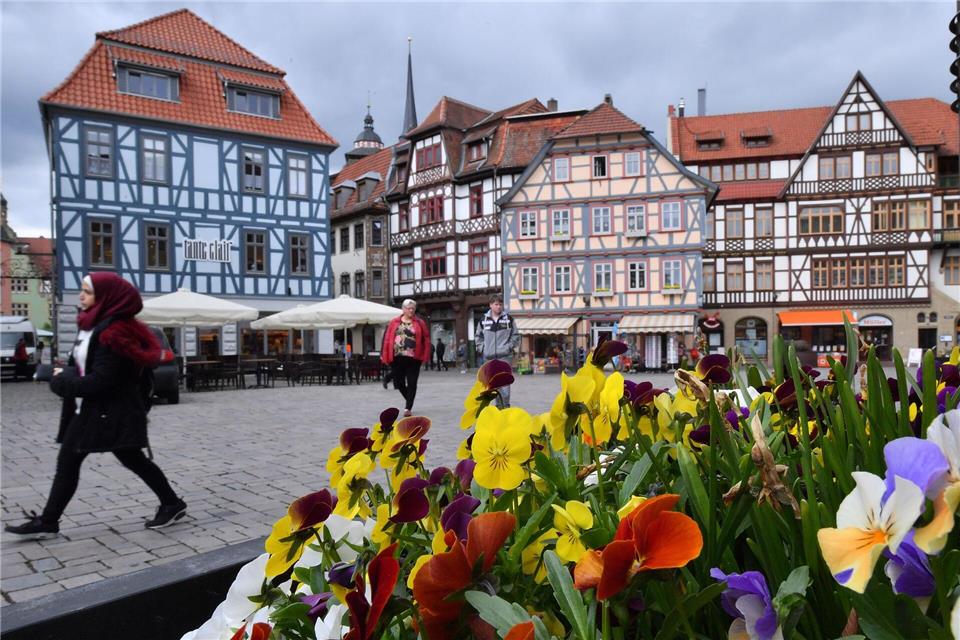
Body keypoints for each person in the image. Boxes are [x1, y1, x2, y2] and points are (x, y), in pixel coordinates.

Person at [5, 273, 187, 540]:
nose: (81, 296)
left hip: (110, 412)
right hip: (94, 410)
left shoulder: (113, 333)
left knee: (114, 459)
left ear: (106, 297)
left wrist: (61, 384)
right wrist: (63, 373)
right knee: (86, 460)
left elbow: (103, 380)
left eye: (88, 292)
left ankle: (49, 520)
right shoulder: (92, 326)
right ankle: (49, 520)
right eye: (82, 291)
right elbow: (79, 366)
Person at [380, 299, 430, 417]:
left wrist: (426, 355)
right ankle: (409, 398)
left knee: (412, 383)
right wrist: (385, 354)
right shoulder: (394, 322)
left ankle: (408, 407)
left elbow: (426, 340)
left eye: (413, 308)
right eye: (408, 308)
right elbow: (387, 339)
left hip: (414, 359)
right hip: (397, 358)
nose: (411, 310)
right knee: (399, 383)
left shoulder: (420, 323)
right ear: (403, 309)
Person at [475, 294, 520, 408]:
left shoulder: (509, 319)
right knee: (492, 385)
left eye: (500, 304)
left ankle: (505, 408)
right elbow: (478, 337)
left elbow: (515, 336)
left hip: (504, 357)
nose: (499, 307)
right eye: (496, 304)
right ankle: (497, 408)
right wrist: (482, 349)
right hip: (488, 358)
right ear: (490, 305)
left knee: (504, 384)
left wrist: (508, 347)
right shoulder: (483, 320)